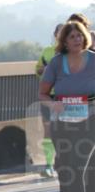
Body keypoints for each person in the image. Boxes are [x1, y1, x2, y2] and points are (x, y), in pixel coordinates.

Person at [39, 20, 95, 192]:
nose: (77, 39)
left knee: (79, 169)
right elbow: (43, 93)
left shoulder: (93, 60)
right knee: (65, 171)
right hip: (62, 123)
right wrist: (53, 104)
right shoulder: (56, 62)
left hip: (90, 122)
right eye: (72, 36)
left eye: (79, 35)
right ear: (64, 41)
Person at [37, 24, 64, 181]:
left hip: (65, 97)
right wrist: (45, 70)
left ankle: (62, 161)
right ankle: (48, 165)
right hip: (48, 96)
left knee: (65, 130)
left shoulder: (72, 52)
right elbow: (38, 70)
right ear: (55, 34)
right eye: (59, 33)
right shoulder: (47, 51)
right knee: (48, 130)